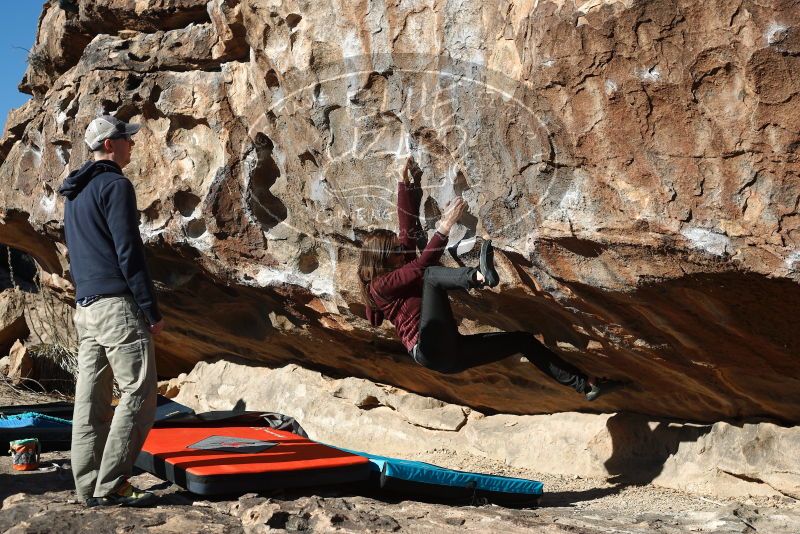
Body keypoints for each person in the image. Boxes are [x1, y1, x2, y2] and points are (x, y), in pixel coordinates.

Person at [358, 158, 620, 400]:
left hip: (451, 353)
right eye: (395, 250)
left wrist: (402, 183)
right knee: (430, 277)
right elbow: (422, 266)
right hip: (428, 348)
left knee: (522, 341)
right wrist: (445, 227)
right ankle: (479, 276)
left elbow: (406, 231)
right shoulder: (380, 287)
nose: (401, 250)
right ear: (383, 259)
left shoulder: (394, 264)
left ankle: (586, 385)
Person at [59, 115, 164, 507]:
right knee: (139, 393)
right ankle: (114, 484)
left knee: (90, 401)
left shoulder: (75, 194)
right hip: (117, 307)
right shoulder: (116, 185)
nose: (131, 144)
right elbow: (128, 252)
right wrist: (150, 309)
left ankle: (87, 486)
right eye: (126, 139)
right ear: (109, 144)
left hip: (86, 308)